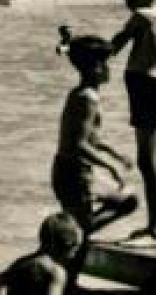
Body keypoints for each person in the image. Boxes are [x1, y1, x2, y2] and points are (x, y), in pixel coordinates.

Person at [53, 34, 138, 256]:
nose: (109, 69)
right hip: (74, 173)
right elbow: (80, 144)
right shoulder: (87, 98)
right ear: (95, 67)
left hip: (72, 170)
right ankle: (64, 247)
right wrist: (111, 167)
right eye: (105, 64)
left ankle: (70, 240)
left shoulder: (82, 94)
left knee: (126, 202)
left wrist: (115, 154)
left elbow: (91, 138)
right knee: (75, 238)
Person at [109, 0, 156, 246]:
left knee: (146, 162)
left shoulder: (141, 17)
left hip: (143, 87)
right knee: (155, 161)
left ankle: (155, 231)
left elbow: (117, 43)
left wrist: (87, 52)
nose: (125, 2)